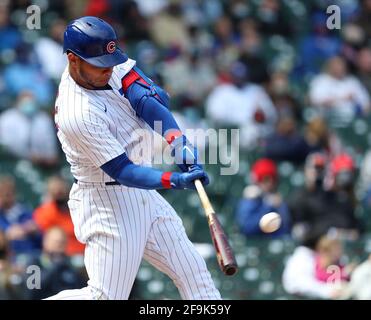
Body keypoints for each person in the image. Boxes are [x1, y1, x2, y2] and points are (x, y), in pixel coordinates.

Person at [48, 16, 220, 300]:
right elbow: (123, 170)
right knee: (104, 296)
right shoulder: (76, 112)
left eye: (110, 60)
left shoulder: (106, 64)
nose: (108, 69)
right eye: (99, 64)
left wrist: (177, 140)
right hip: (108, 203)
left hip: (144, 196)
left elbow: (146, 99)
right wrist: (175, 180)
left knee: (195, 275)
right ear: (73, 59)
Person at [235, 158, 291, 237]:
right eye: (266, 179)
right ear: (258, 180)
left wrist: (279, 207)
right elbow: (246, 228)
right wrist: (267, 206)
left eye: (272, 179)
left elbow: (285, 229)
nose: (270, 183)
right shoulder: (250, 198)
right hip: (253, 242)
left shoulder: (278, 201)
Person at [33, 176, 85, 257]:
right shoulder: (44, 212)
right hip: (60, 255)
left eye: (61, 189)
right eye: (55, 190)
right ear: (49, 192)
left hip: (84, 254)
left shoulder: (79, 209)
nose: (58, 192)